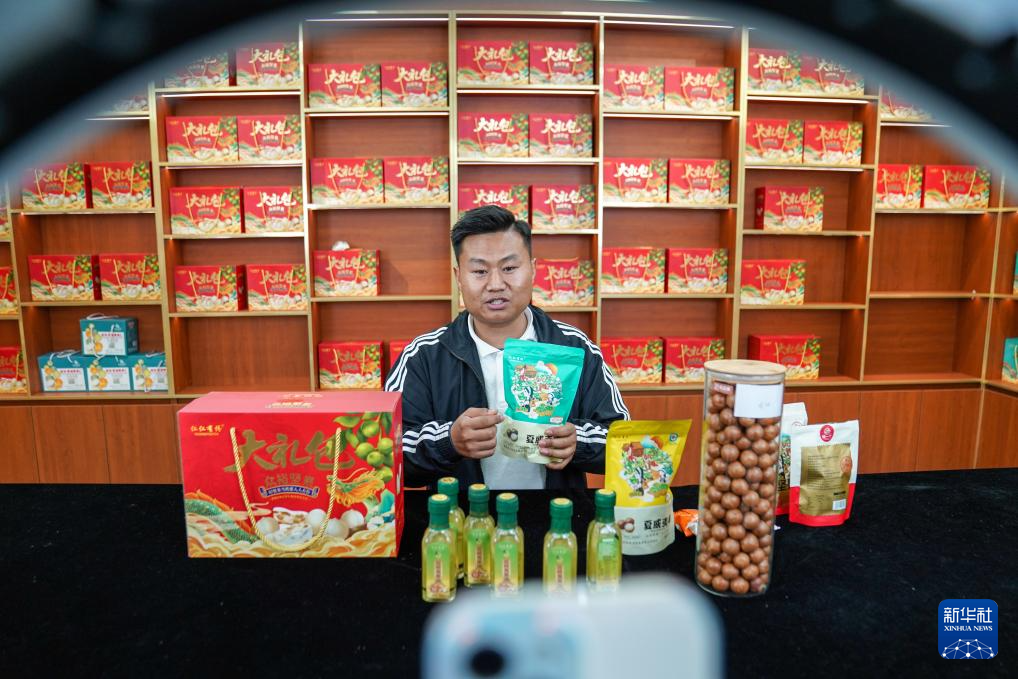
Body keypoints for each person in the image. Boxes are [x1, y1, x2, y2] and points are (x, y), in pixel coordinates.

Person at [385, 205, 629, 490]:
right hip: (459, 514)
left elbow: (621, 439)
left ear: (533, 269)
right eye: (479, 271)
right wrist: (448, 441)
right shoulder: (423, 356)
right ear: (458, 276)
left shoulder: (574, 347)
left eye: (510, 268)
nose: (496, 284)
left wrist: (578, 441)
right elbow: (386, 451)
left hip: (556, 513)